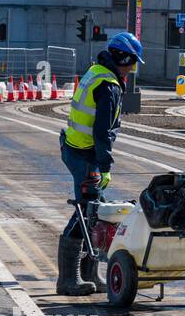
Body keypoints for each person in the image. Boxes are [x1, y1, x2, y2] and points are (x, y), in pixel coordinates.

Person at [57, 32, 143, 296]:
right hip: (85, 154)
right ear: (123, 58)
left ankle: (88, 273)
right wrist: (104, 167)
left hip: (75, 148)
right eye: (132, 62)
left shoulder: (96, 71)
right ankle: (68, 280)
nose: (133, 68)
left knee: (95, 211)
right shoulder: (108, 86)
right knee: (86, 211)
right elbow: (102, 132)